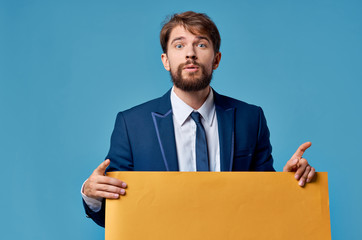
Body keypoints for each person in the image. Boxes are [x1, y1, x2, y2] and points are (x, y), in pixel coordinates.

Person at [81, 11, 315, 227]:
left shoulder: (250, 119)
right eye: (179, 45)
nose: (190, 53)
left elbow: (264, 203)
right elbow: (113, 213)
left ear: (216, 59)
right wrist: (91, 194)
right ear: (165, 60)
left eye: (201, 44)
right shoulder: (132, 124)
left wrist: (288, 183)